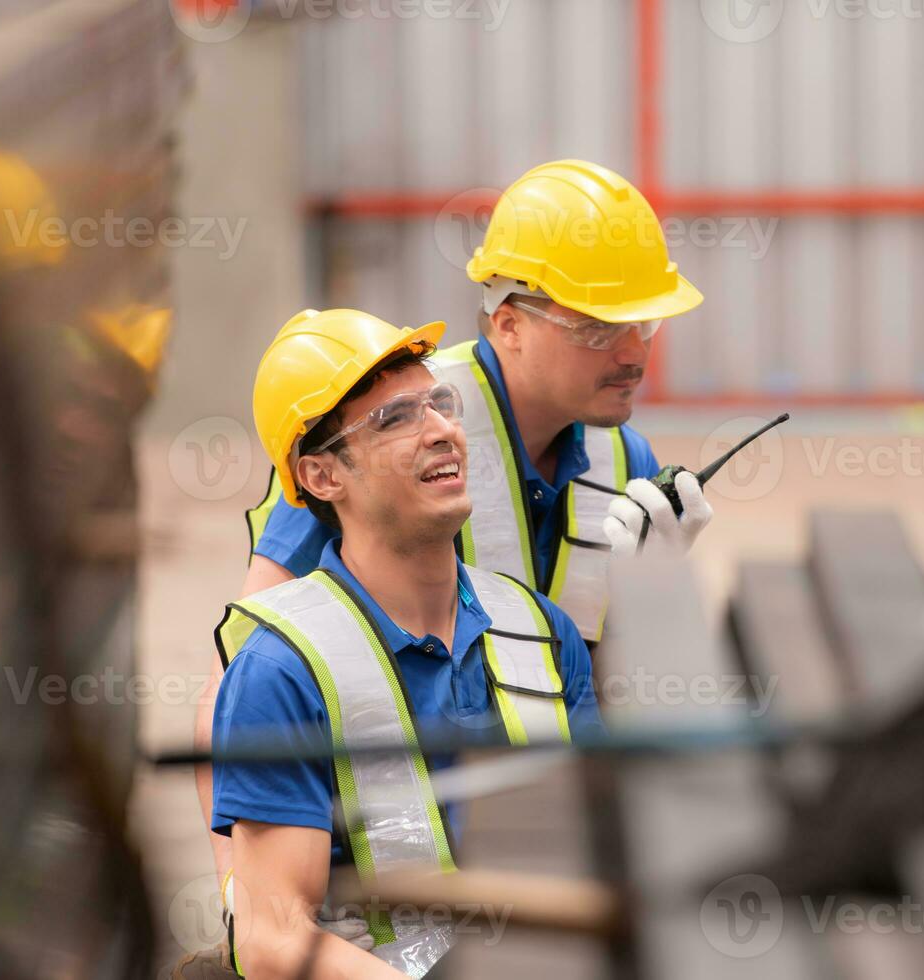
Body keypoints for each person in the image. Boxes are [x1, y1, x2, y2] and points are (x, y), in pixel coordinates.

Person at [195, 158, 714, 925]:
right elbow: (236, 691)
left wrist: (657, 598)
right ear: (508, 322)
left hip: (514, 856)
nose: (635, 353)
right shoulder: (366, 445)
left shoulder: (620, 460)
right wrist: (251, 907)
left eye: (645, 322)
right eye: (600, 326)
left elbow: (584, 695)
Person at [205, 308, 603, 978]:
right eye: (396, 419)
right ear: (322, 476)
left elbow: (599, 852)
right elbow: (273, 939)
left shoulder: (540, 630)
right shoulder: (282, 670)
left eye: (440, 404)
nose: (444, 430)